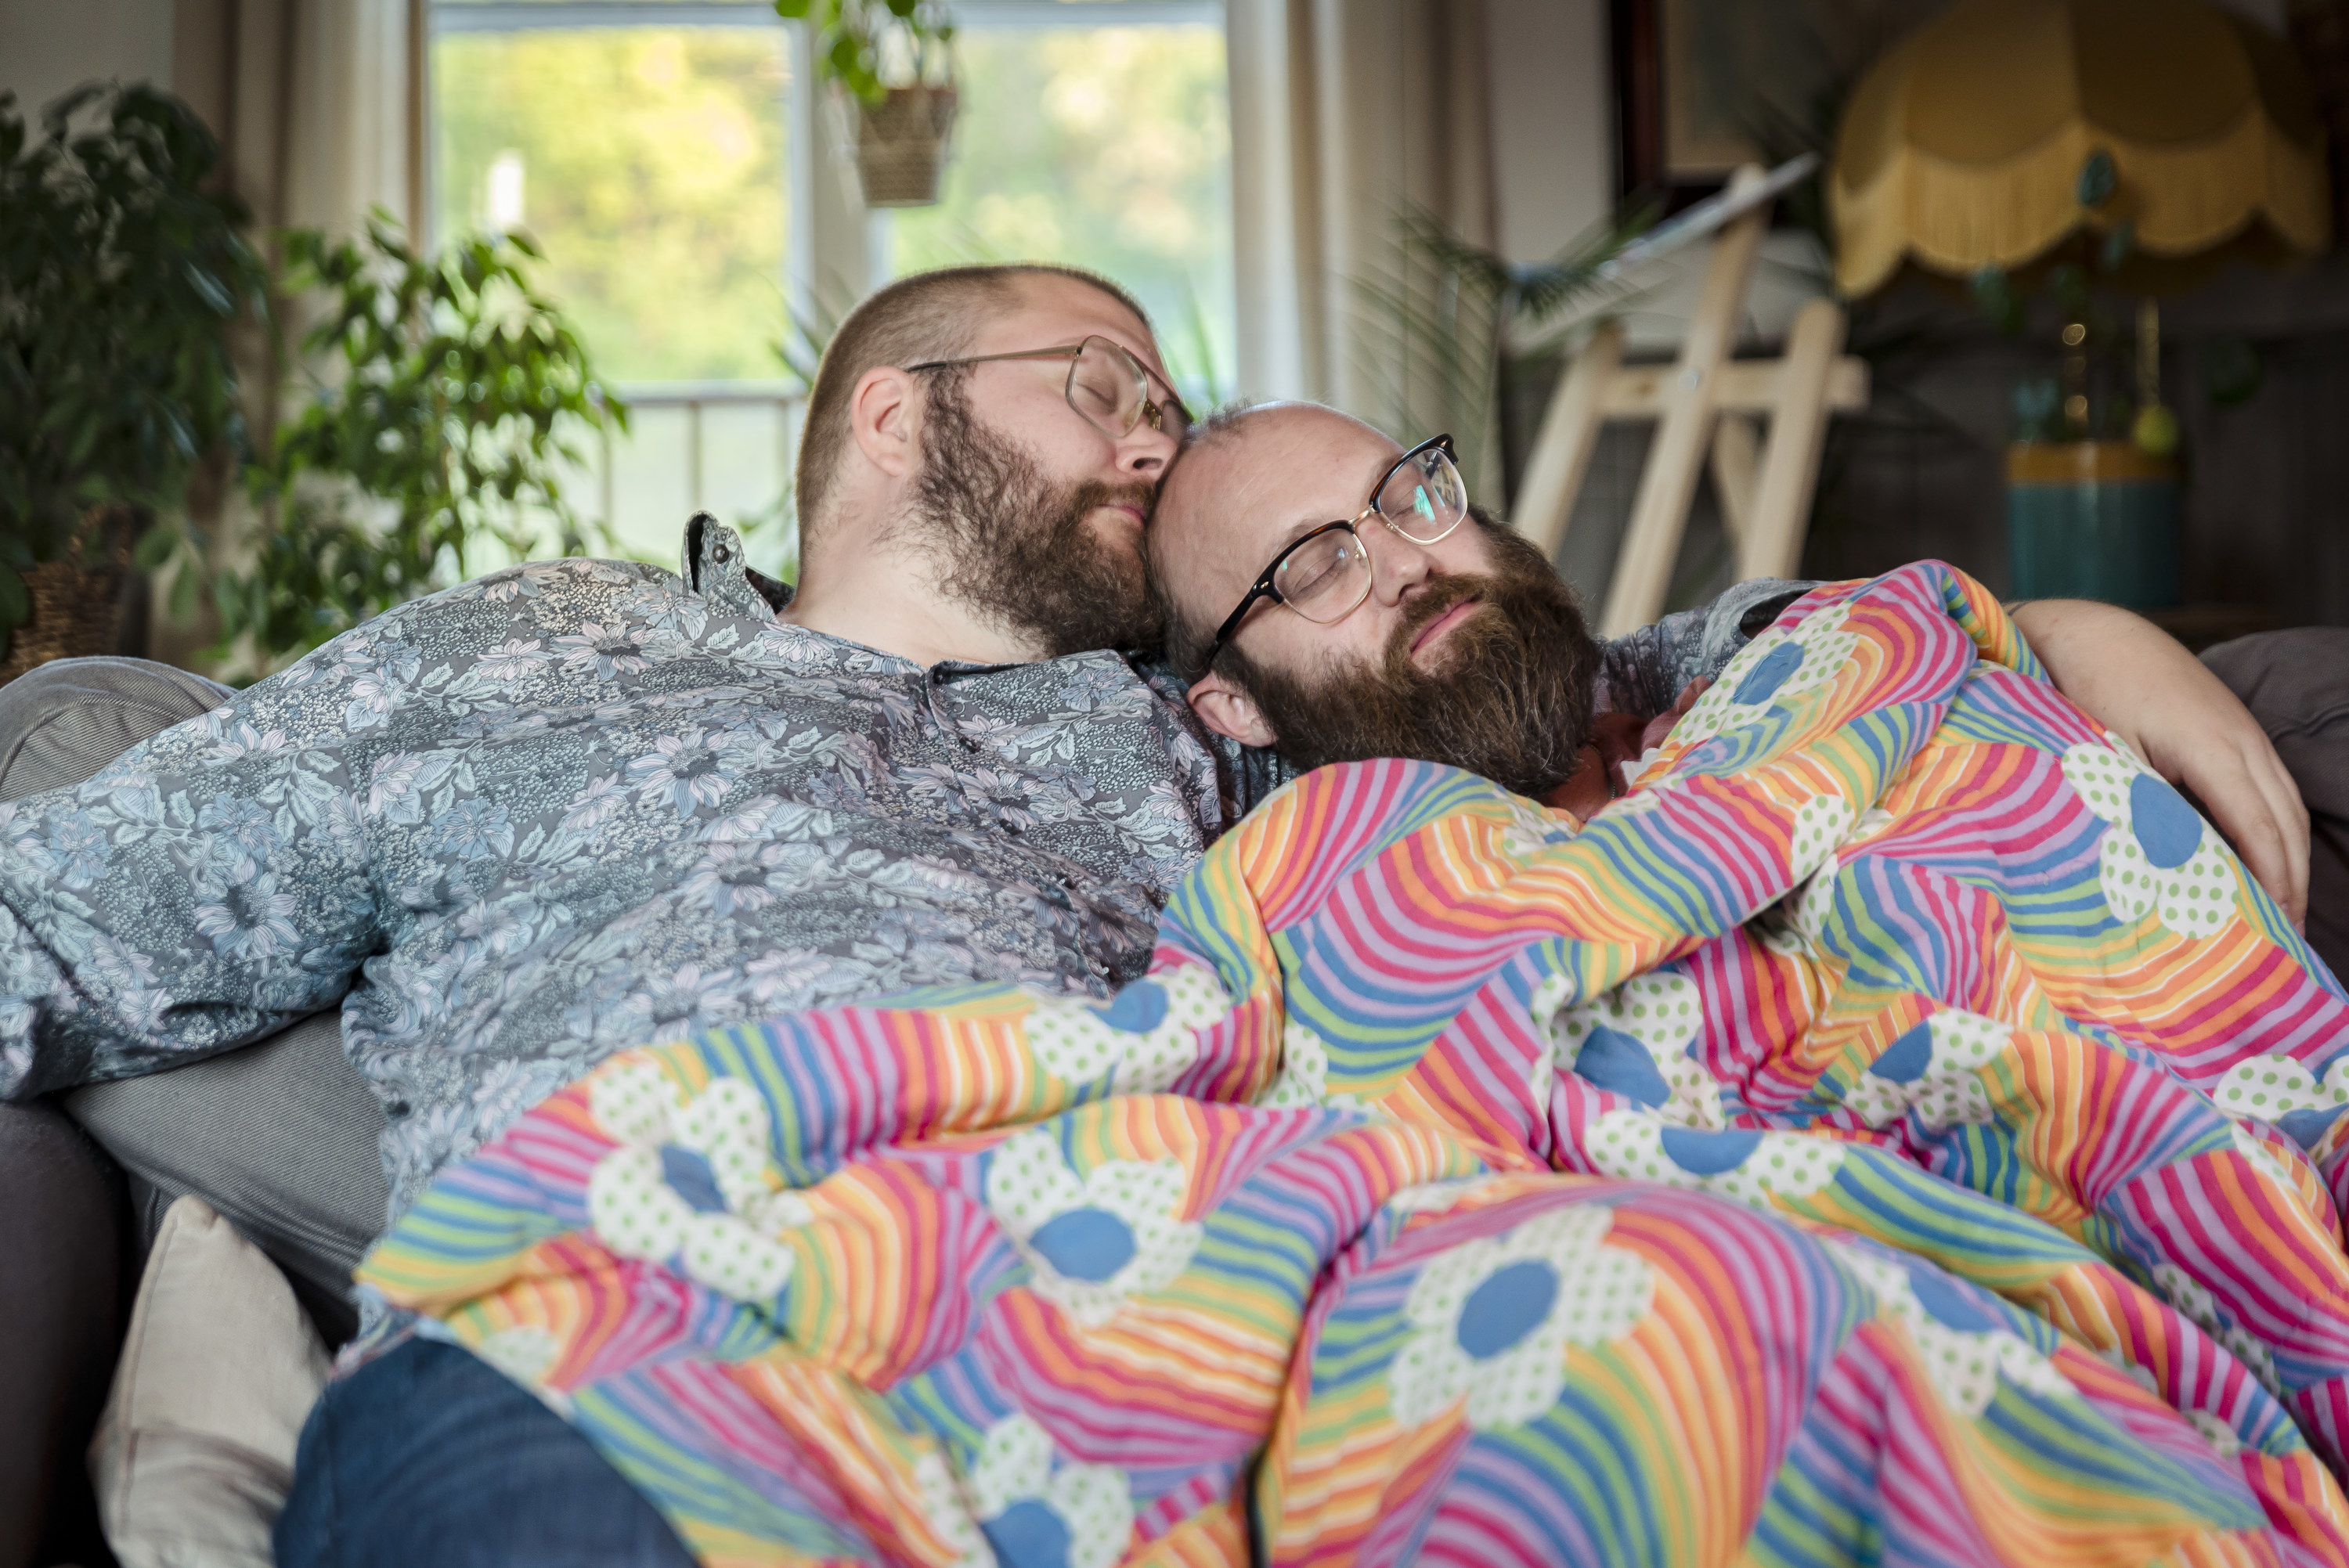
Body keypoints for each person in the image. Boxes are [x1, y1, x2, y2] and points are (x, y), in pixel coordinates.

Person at [0, 268, 2321, 1558]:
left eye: (1166, 403)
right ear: (895, 416)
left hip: (1155, 1286)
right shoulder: (515, 659)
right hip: (651, 1298)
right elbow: (46, 921)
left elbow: (1583, 677)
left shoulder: (1213, 725)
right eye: (1105, 386)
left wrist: (2079, 633)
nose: (1151, 437)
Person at [1148, 400, 2329, 953]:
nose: (1406, 561)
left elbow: (1906, 630)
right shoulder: (1309, 890)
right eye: (1313, 566)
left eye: (1406, 496)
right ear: (1235, 705)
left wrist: (2087, 636)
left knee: (2293, 687)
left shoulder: (1681, 685)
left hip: (2205, 902)